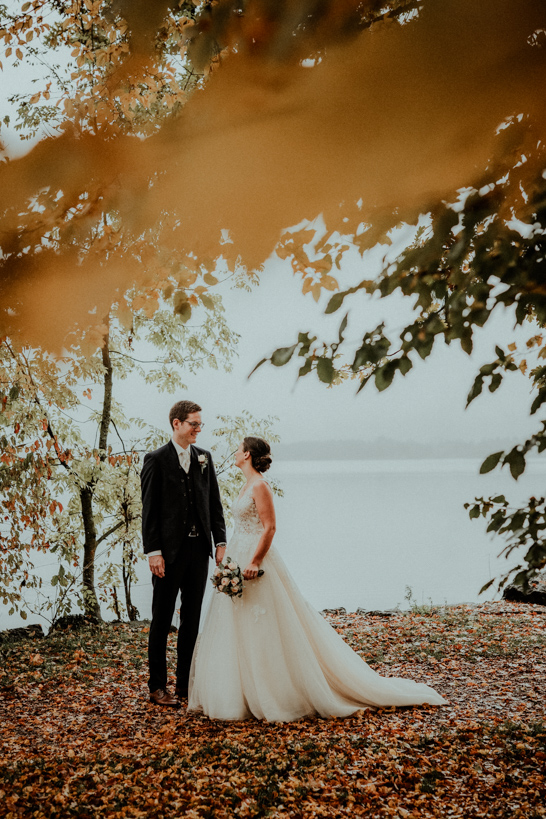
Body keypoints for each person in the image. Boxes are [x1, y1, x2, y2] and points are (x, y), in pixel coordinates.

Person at [188, 436, 447, 721]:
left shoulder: (260, 485)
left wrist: (254, 561)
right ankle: (242, 693)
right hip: (239, 553)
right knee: (239, 625)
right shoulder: (246, 484)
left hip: (254, 561)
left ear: (247, 454)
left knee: (265, 627)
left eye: (238, 449)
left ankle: (276, 693)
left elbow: (270, 528)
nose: (235, 453)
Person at [141, 400, 227, 706]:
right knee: (161, 621)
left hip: (198, 551)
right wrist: (153, 552)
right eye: (194, 423)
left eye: (200, 424)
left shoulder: (205, 458)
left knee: (191, 620)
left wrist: (220, 541)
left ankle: (186, 686)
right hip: (168, 554)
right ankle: (157, 686)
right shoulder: (156, 460)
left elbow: (213, 503)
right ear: (176, 423)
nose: (198, 429)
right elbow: (149, 511)